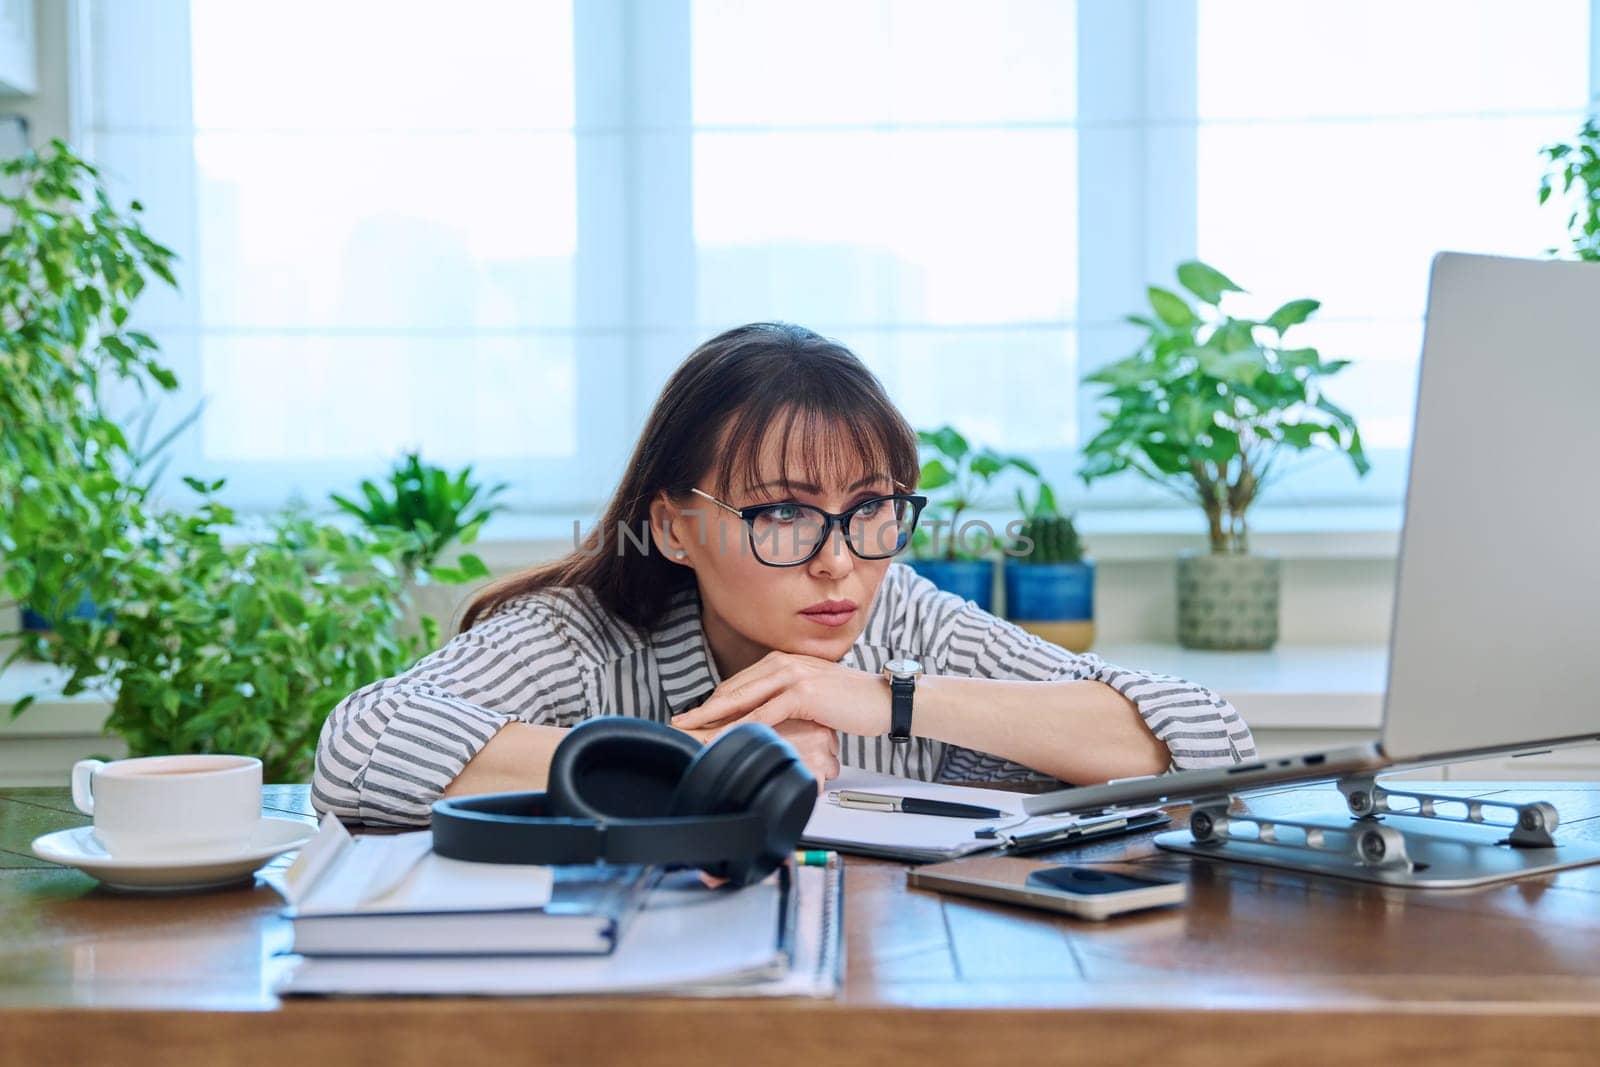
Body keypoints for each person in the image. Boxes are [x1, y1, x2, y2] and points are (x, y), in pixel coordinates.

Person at [313, 323, 1256, 826]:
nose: (840, 559)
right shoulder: (581, 637)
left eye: (873, 508)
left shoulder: (909, 624)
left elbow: (1216, 741)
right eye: (783, 513)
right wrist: (686, 762)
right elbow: (355, 747)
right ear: (677, 527)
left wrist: (883, 700)